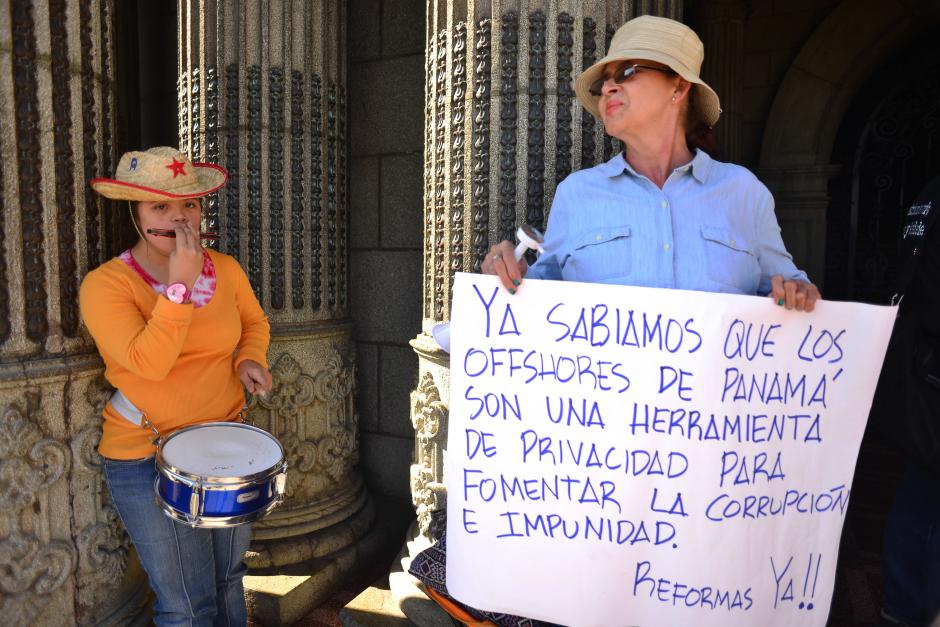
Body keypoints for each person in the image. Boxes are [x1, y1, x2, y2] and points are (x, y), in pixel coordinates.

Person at [483, 15, 820, 312]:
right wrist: (509, 276)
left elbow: (786, 287)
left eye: (627, 72)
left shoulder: (744, 192)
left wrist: (797, 294)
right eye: (604, 83)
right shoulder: (576, 194)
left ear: (679, 87)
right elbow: (540, 298)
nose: (609, 88)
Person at [79, 146, 273, 626]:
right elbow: (148, 362)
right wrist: (178, 288)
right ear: (135, 213)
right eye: (159, 206)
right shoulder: (107, 285)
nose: (177, 216)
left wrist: (250, 358)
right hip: (148, 454)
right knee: (187, 603)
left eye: (187, 204)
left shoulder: (224, 268)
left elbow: (253, 321)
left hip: (224, 444)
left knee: (228, 577)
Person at [871, 174, 940, 627]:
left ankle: (901, 607)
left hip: (923, 363)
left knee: (921, 491)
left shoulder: (929, 192)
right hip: (930, 361)